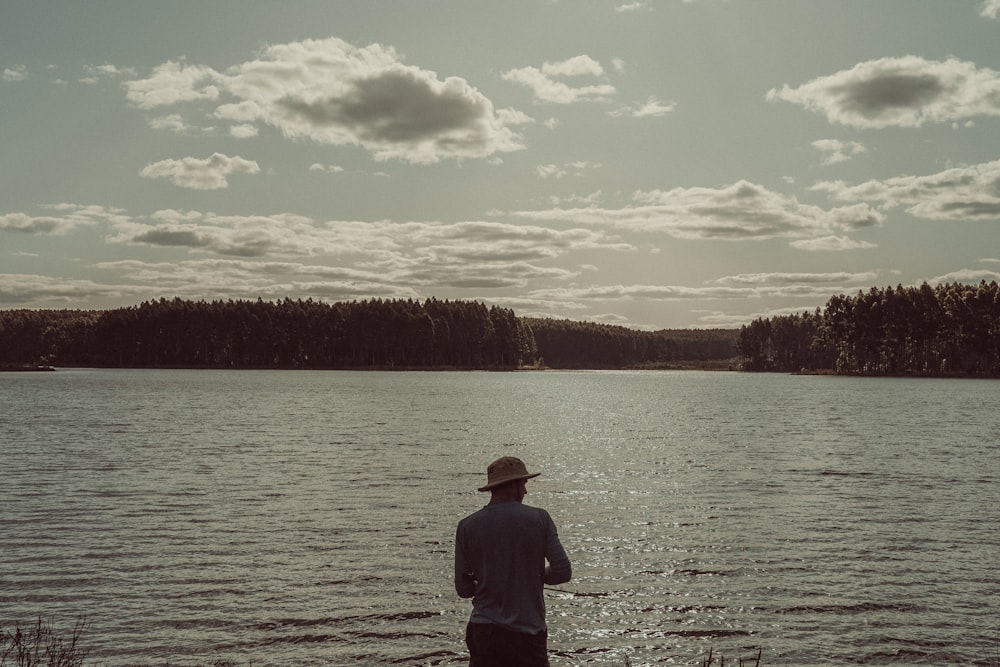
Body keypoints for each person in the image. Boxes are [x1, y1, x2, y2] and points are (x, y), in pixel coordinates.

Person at [454, 456, 572, 666]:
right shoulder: (540, 519)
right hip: (527, 634)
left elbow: (463, 589)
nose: (525, 491)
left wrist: (484, 582)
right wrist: (535, 576)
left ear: (494, 487)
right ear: (515, 484)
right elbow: (562, 571)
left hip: (484, 631)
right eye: (524, 483)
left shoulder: (466, 526)